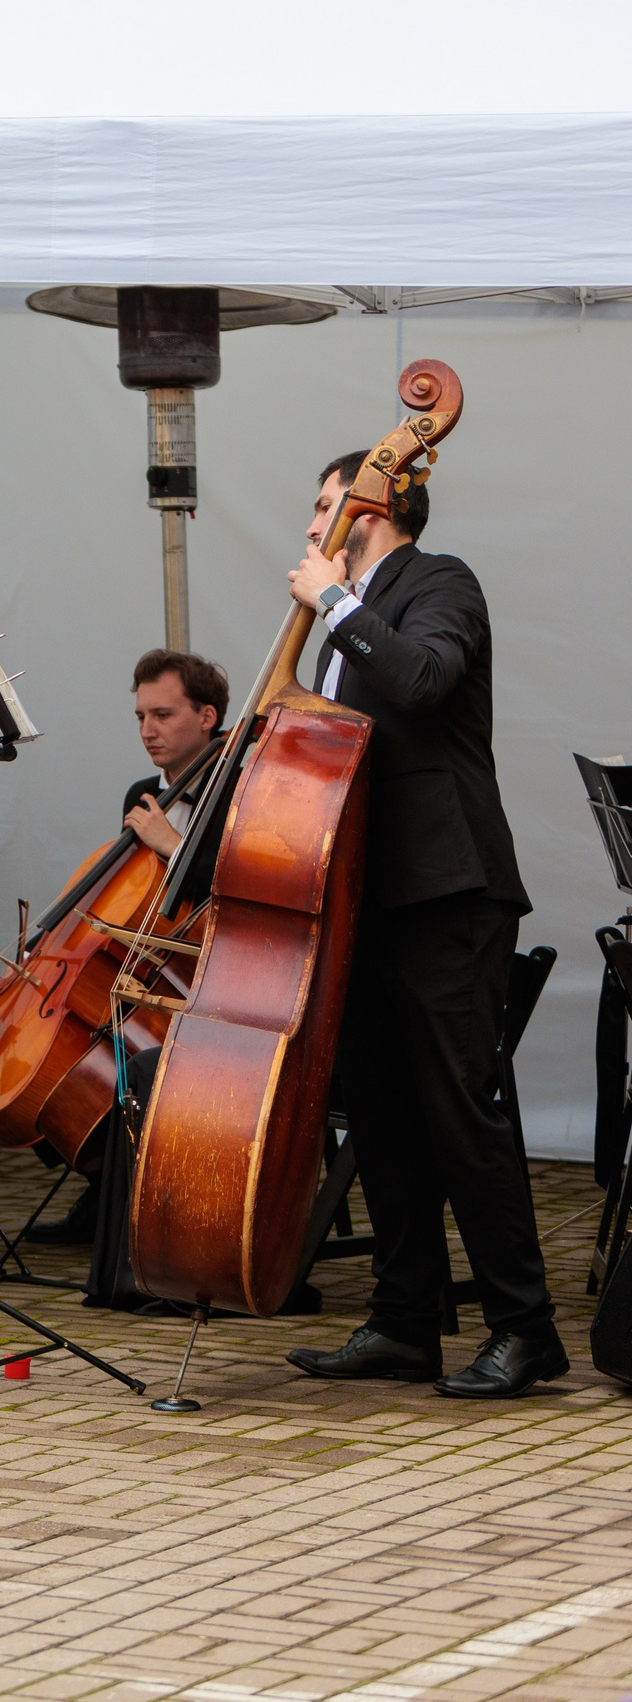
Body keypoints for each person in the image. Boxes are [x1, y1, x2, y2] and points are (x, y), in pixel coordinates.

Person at [280, 448, 556, 1399]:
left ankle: (526, 1329)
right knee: (387, 1115)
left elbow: (427, 678)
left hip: (447, 892)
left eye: (328, 502)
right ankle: (403, 1320)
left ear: (378, 504)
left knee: (459, 1111)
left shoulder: (439, 582)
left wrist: (338, 606)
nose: (314, 520)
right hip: (363, 896)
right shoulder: (333, 626)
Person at [28, 648, 230, 1258]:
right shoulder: (143, 792)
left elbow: (238, 886)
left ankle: (122, 1195)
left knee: (106, 1060)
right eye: (140, 716)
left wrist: (174, 843)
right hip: (144, 965)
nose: (148, 730)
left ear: (208, 716)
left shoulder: (240, 788)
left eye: (163, 714)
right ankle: (104, 1183)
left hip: (205, 977)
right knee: (57, 1059)